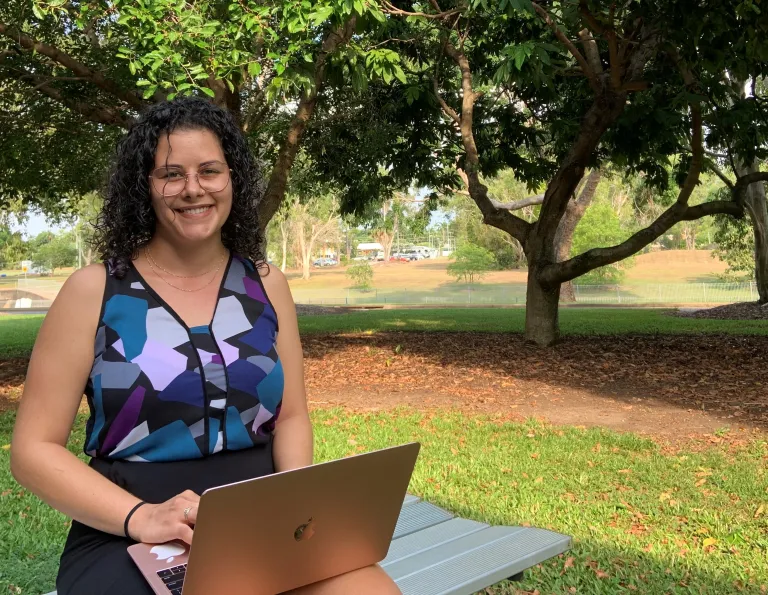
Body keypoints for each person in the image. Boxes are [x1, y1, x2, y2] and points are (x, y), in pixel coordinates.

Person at [11, 98, 401, 595]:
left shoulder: (266, 284)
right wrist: (141, 517)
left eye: (210, 171)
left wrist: (296, 505)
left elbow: (293, 415)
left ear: (232, 178)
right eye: (171, 174)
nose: (193, 188)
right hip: (127, 526)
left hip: (258, 516)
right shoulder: (95, 290)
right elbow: (32, 450)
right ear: (144, 187)